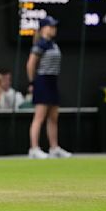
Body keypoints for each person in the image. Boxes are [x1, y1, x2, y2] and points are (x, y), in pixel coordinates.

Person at [26, 16, 71, 159]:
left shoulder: (52, 44)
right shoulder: (40, 44)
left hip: (52, 81)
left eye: (54, 26)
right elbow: (30, 64)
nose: (54, 29)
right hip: (42, 81)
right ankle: (34, 148)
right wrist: (33, 82)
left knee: (53, 117)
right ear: (44, 28)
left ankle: (54, 148)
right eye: (51, 26)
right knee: (39, 117)